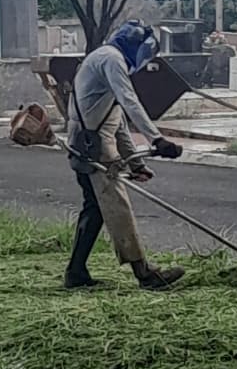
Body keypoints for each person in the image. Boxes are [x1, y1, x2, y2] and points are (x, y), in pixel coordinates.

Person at [65, 21, 186, 291]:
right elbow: (129, 100)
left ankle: (75, 272)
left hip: (88, 143)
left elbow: (116, 122)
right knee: (117, 209)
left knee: (95, 210)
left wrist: (135, 162)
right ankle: (145, 274)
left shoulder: (102, 58)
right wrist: (158, 139)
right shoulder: (112, 59)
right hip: (92, 147)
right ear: (139, 48)